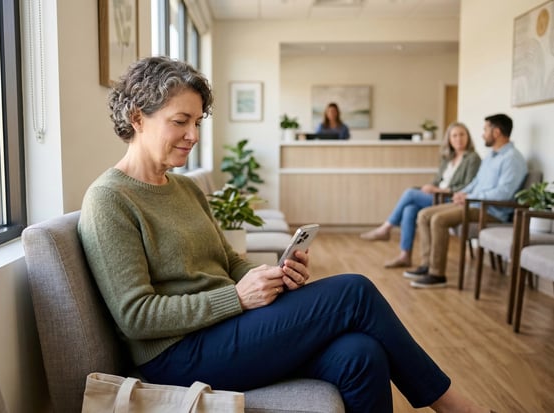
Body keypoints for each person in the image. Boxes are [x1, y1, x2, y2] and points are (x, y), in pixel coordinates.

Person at [78, 56, 490, 412]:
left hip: (228, 329)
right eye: (180, 122)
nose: (194, 136)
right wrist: (237, 297)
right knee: (355, 291)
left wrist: (271, 275)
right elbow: (136, 317)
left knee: (362, 355)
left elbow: (228, 261)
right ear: (137, 118)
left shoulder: (184, 188)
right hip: (178, 354)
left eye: (197, 122)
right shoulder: (109, 200)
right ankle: (452, 404)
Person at [405, 113, 528, 289]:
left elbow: (504, 194)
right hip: (474, 204)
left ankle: (437, 274)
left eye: (486, 129)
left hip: (492, 211)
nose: (482, 134)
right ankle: (426, 265)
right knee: (424, 214)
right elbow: (475, 183)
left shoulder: (512, 159)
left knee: (438, 219)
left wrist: (470, 198)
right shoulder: (490, 157)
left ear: (497, 132)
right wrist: (462, 193)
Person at [360, 122, 481, 268]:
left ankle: (386, 228)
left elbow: (467, 186)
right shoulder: (448, 158)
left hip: (451, 199)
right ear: (449, 139)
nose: (458, 139)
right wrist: (430, 187)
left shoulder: (472, 158)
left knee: (409, 193)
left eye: (462, 135)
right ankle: (405, 255)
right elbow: (438, 180)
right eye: (454, 135)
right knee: (409, 209)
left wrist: (438, 191)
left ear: (468, 137)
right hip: (438, 195)